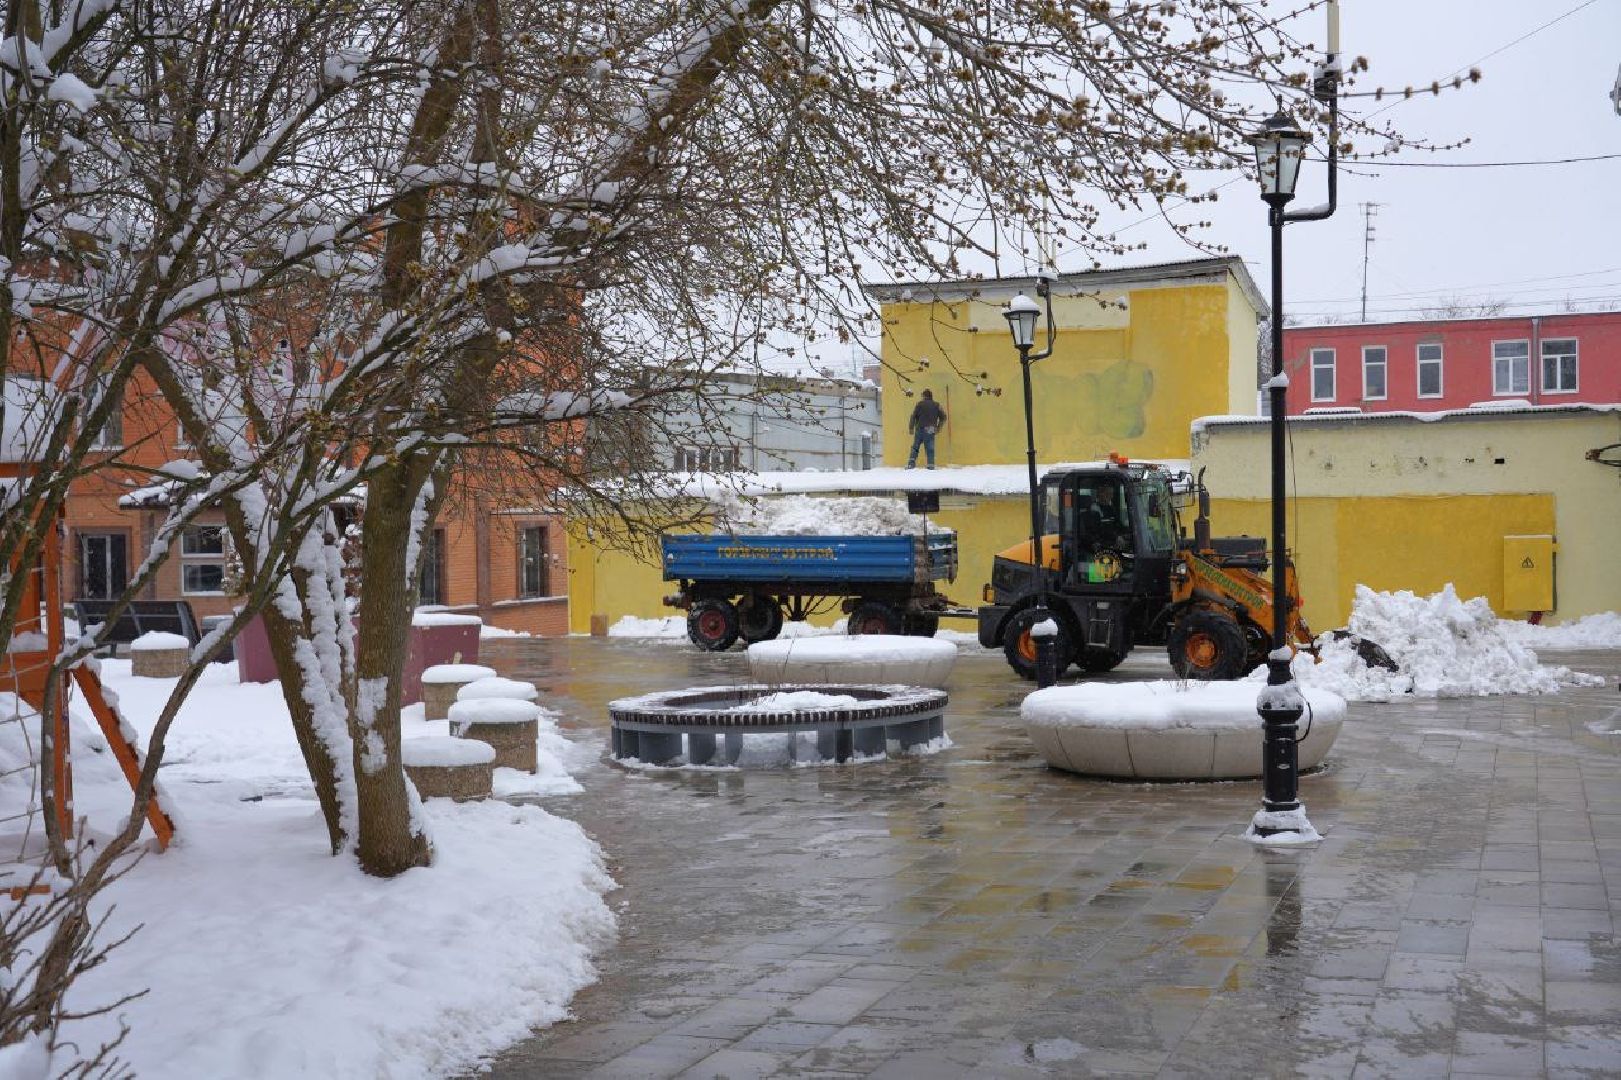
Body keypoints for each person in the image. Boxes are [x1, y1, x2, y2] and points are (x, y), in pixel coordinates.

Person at [905, 389, 947, 469]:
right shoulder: (937, 405)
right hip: (930, 429)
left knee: (915, 447)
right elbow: (944, 417)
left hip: (919, 428)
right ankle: (930, 466)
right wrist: (938, 427)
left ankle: (911, 464)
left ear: (924, 396)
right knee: (930, 448)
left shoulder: (919, 404)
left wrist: (911, 428)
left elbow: (913, 416)